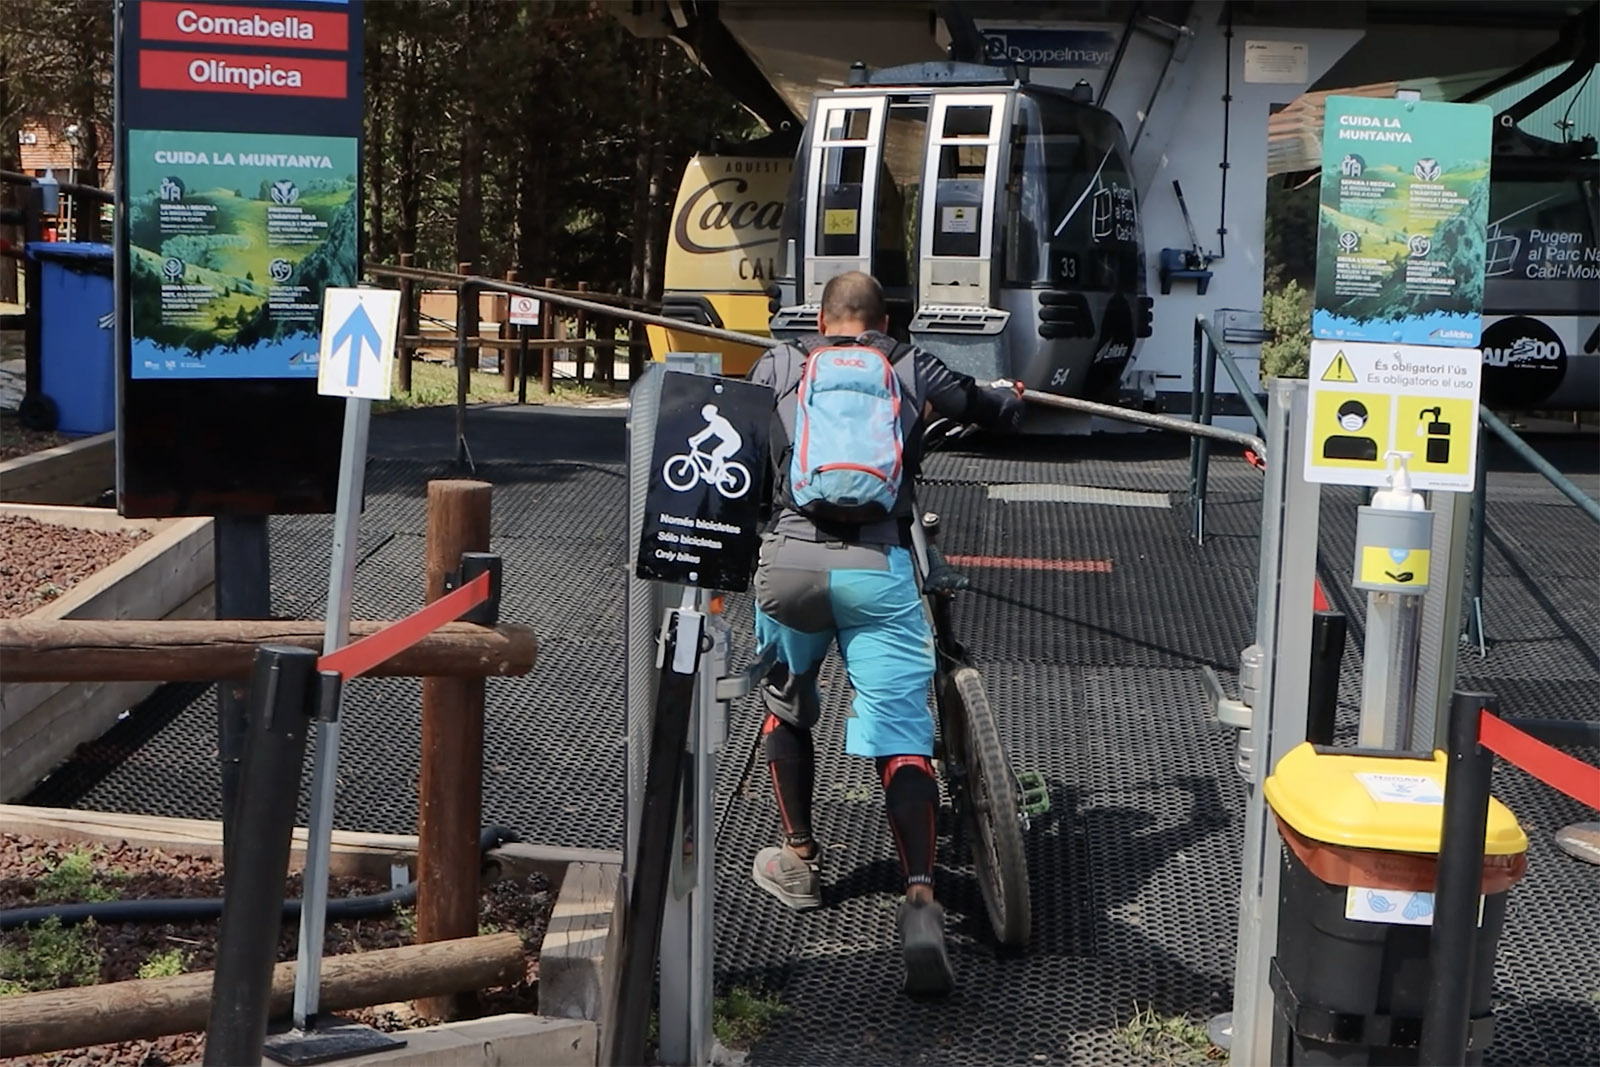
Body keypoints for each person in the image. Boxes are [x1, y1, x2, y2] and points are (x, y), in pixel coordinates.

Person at [744, 270, 1025, 997]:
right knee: (903, 735)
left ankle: (800, 859)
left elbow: (745, 456)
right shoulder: (908, 364)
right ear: (884, 318)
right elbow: (987, 410)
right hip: (879, 563)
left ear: (821, 317)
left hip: (790, 563)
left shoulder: (778, 363)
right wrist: (1009, 400)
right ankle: (923, 897)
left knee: (785, 705)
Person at [688, 402, 743, 478]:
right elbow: (706, 433)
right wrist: (695, 439)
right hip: (731, 441)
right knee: (717, 455)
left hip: (734, 442)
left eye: (705, 415)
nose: (704, 417)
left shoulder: (717, 422)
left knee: (716, 453)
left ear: (710, 413)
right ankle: (720, 473)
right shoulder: (715, 421)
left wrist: (696, 441)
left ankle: (712, 474)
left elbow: (706, 434)